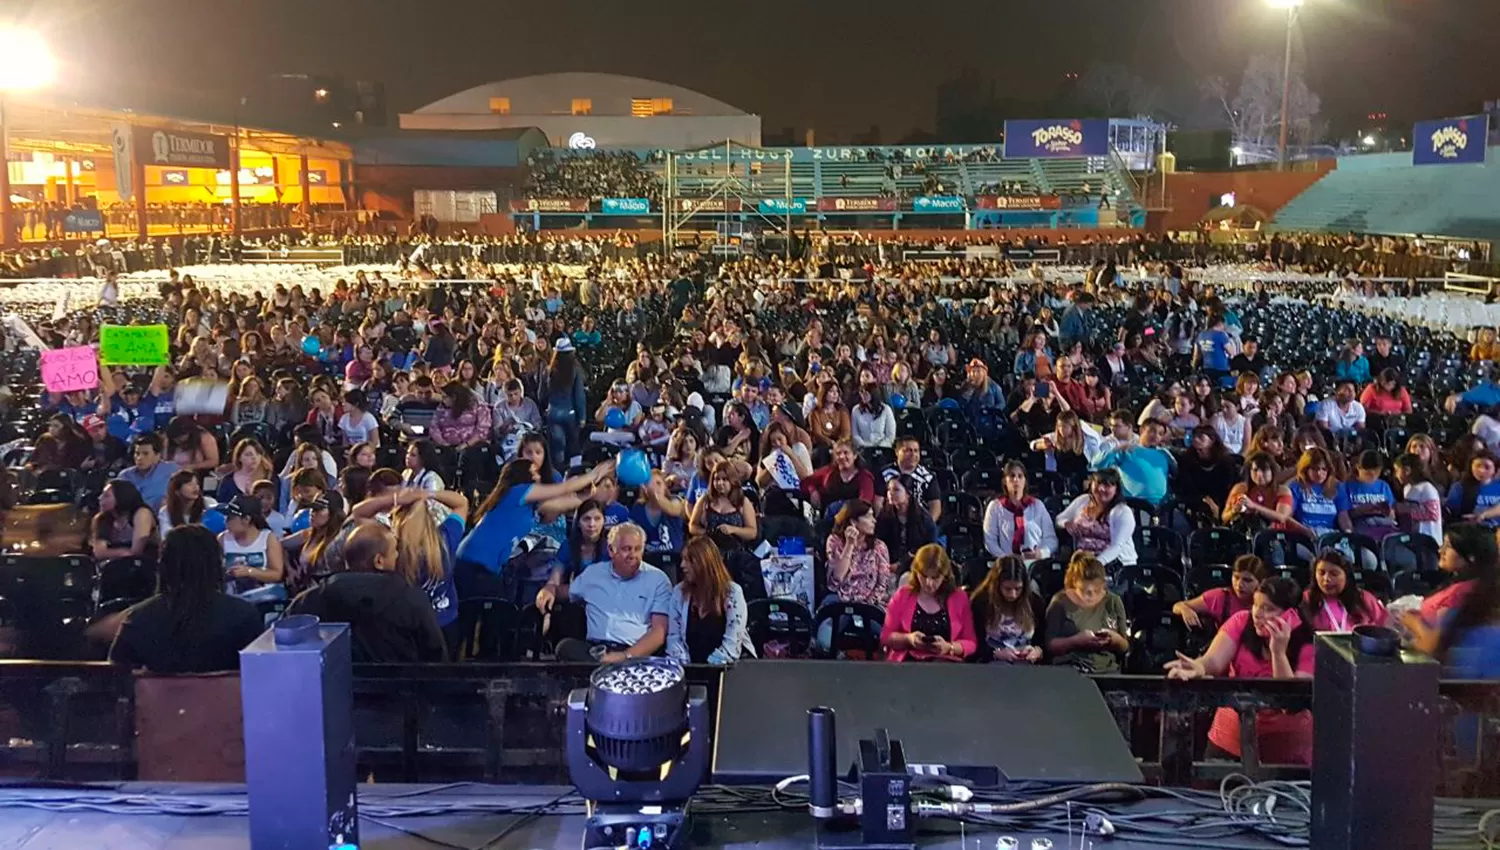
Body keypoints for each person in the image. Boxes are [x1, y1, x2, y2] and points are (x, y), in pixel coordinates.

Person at [1165, 576, 1315, 765]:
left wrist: (1278, 652)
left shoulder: (1308, 643)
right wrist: (1200, 667)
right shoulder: (1241, 621)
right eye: (1255, 605)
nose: (1257, 614)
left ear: (1291, 615)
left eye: (1268, 608)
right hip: (1229, 739)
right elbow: (1213, 660)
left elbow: (1288, 702)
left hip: (1286, 747)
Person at [108, 525, 265, 673]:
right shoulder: (243, 615)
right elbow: (260, 672)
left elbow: (118, 673)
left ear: (163, 565)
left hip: (161, 701)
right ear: (217, 564)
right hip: (226, 701)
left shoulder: (139, 618)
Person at [286, 521, 447, 663]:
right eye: (395, 550)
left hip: (334, 692)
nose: (398, 555)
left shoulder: (310, 599)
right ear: (379, 561)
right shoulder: (412, 599)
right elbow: (435, 656)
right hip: (401, 693)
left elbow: (283, 641)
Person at [455, 457, 613, 578]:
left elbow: (563, 504)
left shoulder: (527, 505)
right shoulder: (517, 491)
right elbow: (564, 488)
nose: (538, 476)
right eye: (534, 472)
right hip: (475, 561)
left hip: (484, 565)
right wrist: (595, 473)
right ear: (523, 475)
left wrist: (586, 496)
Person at [536, 523, 672, 663]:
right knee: (565, 648)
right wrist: (549, 589)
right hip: (595, 652)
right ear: (611, 550)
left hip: (634, 653)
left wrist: (625, 656)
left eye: (637, 549)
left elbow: (658, 634)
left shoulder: (658, 580)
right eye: (626, 549)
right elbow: (563, 592)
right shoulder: (594, 574)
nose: (632, 555)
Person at [880, 544, 977, 663]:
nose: (929, 583)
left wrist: (949, 647)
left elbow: (970, 642)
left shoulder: (959, 598)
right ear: (916, 573)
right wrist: (908, 639)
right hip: (908, 662)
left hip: (946, 663)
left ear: (945, 576)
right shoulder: (903, 594)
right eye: (924, 576)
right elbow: (886, 636)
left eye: (935, 578)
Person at [665, 536, 752, 665]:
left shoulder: (732, 592)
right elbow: (674, 638)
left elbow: (732, 644)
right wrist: (687, 668)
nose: (682, 565)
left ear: (705, 563)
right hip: (691, 666)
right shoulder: (679, 592)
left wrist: (708, 667)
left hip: (731, 667)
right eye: (682, 560)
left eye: (690, 560)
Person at [1045, 552, 1130, 672]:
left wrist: (1114, 639)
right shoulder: (1060, 602)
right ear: (1075, 583)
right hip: (1070, 668)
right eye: (1084, 591)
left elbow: (1124, 647)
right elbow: (1050, 646)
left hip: (1107, 669)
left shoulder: (1113, 601)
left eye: (1096, 590)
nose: (1091, 595)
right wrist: (1075, 641)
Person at [970, 555, 1046, 663]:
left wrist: (1038, 651)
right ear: (997, 585)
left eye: (1018, 589)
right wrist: (996, 653)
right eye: (1007, 588)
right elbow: (975, 642)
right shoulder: (982, 602)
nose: (1013, 594)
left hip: (1026, 662)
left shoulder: (1035, 602)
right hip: (990, 663)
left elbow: (1042, 640)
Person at [1056, 468, 1137, 567]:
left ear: (1116, 490)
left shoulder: (1123, 512)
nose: (1101, 488)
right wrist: (1066, 523)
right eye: (1098, 483)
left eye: (1107, 485)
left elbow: (1117, 546)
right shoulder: (1083, 500)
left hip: (1113, 564)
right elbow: (1059, 519)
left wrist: (1096, 564)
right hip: (1081, 560)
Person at [982, 461, 1058, 563]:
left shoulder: (1037, 506)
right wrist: (1006, 559)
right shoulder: (995, 507)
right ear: (1005, 481)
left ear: (1025, 481)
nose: (1016, 480)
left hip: (1035, 564)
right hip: (1007, 564)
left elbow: (1051, 540)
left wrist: (1040, 553)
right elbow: (990, 541)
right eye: (1012, 476)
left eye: (1020, 476)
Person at [1173, 554, 1268, 631]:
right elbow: (1178, 606)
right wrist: (1184, 609)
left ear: (1260, 582)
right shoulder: (1220, 597)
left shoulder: (1269, 601)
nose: (1239, 585)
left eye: (1247, 580)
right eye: (1236, 577)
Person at [219, 495, 287, 603]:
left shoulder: (268, 538)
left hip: (263, 597)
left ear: (246, 519)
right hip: (231, 598)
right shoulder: (223, 539)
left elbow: (277, 574)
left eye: (230, 518)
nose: (226, 521)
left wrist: (250, 572)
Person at [826, 498, 893, 606]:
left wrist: (869, 603)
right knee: (828, 621)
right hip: (840, 599)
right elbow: (837, 579)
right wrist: (849, 545)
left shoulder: (879, 546)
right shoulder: (835, 541)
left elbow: (882, 584)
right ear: (853, 521)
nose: (874, 520)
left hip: (871, 603)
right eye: (868, 516)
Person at [1094, 420, 1174, 506]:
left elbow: (1176, 473)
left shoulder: (1164, 454)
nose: (1156, 436)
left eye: (1160, 434)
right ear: (1141, 430)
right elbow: (1096, 464)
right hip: (1133, 504)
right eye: (1152, 431)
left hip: (1161, 506)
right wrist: (1117, 449)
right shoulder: (1127, 450)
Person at [1305, 548, 1387, 632]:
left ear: (1347, 576)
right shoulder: (1307, 599)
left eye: (1334, 574)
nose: (1326, 579)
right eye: (1321, 573)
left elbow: (1384, 629)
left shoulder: (1364, 598)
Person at [688, 460, 758, 551]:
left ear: (732, 480)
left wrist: (733, 529)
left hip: (735, 553)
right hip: (710, 552)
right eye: (717, 479)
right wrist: (708, 533)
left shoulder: (742, 501)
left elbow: (752, 532)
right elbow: (692, 526)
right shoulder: (705, 500)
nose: (720, 483)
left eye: (725, 479)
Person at [875, 474, 938, 570]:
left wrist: (902, 565)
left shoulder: (923, 518)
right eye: (889, 490)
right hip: (887, 565)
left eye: (896, 490)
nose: (890, 493)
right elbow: (879, 543)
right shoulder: (884, 516)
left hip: (915, 565)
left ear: (908, 493)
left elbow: (928, 547)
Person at [1288, 448, 1352, 539]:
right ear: (1306, 469)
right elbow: (1287, 517)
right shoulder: (1296, 486)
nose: (1319, 473)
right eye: (1315, 469)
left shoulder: (1337, 486)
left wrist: (1348, 533)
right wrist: (1305, 531)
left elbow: (1343, 516)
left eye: (1324, 469)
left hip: (1331, 535)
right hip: (1304, 535)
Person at [544, 339, 588, 467]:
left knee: (557, 446)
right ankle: (575, 473)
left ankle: (558, 473)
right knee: (573, 444)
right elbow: (579, 395)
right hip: (570, 413)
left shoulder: (549, 371)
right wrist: (582, 417)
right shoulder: (575, 370)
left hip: (553, 412)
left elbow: (543, 393)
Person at [92, 480, 158, 563]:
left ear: (121, 497)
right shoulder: (102, 519)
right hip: (114, 565)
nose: (100, 498)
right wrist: (123, 552)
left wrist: (112, 553)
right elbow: (99, 552)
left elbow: (136, 551)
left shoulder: (141, 513)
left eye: (106, 496)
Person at [802, 440, 876, 513]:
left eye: (846, 453)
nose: (842, 457)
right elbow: (806, 482)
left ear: (855, 455)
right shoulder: (828, 471)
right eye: (838, 453)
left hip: (852, 520)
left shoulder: (864, 477)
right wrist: (813, 491)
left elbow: (865, 503)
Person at [879, 436, 942, 522]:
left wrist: (926, 527)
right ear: (897, 452)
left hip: (920, 523)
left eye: (916, 451)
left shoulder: (928, 476)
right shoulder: (884, 474)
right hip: (891, 522)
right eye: (908, 450)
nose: (913, 454)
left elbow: (935, 506)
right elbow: (878, 503)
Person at [115, 433, 180, 513]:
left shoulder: (173, 470)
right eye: (137, 453)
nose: (139, 458)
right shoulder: (125, 476)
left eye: (145, 454)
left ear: (157, 456)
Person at [1394, 452, 1444, 545]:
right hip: (1414, 537)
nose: (1396, 475)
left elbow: (1433, 514)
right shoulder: (1407, 488)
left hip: (1429, 539)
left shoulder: (1426, 488)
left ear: (1407, 470)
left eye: (1397, 470)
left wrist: (1405, 510)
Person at [159, 468, 225, 535]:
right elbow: (166, 536)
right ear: (177, 491)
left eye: (196, 483)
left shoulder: (209, 504)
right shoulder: (165, 512)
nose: (195, 487)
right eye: (189, 484)